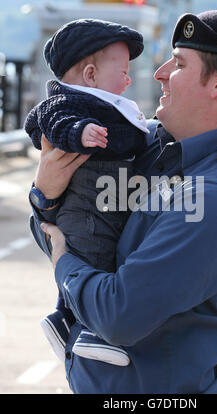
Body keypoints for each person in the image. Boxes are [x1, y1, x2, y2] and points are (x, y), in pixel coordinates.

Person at [29, 10, 217, 394]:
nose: (160, 72)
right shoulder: (145, 141)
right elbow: (63, 222)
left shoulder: (213, 199)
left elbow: (116, 315)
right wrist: (45, 196)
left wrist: (62, 259)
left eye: (180, 63)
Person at [25, 19, 148, 366]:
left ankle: (62, 319)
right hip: (86, 210)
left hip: (102, 204)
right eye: (122, 71)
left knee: (93, 260)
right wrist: (79, 131)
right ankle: (94, 331)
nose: (128, 78)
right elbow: (46, 120)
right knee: (96, 260)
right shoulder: (71, 103)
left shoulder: (112, 107)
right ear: (91, 76)